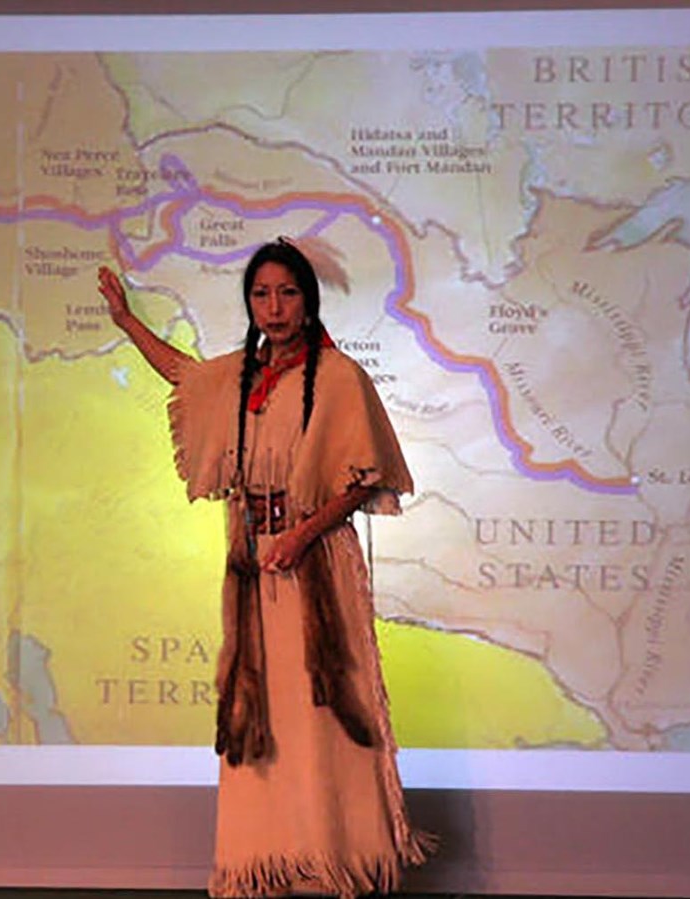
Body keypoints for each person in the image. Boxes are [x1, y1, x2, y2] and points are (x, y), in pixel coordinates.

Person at [98, 239, 436, 898]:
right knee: (262, 713)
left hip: (314, 565)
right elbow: (181, 372)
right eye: (261, 294)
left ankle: (334, 854)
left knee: (322, 706)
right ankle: (268, 857)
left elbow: (365, 477)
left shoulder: (337, 375)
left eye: (286, 293)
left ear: (307, 299)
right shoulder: (242, 377)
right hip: (253, 564)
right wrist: (125, 320)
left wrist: (301, 537)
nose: (274, 307)